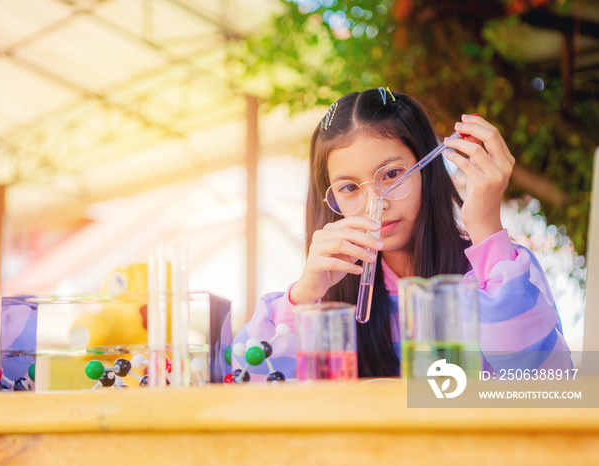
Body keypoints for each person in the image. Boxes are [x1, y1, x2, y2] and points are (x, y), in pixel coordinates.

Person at [232, 88, 571, 380]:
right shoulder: (325, 301)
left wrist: (486, 227)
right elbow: (242, 377)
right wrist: (304, 296)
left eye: (392, 174)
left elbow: (550, 385)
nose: (375, 204)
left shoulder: (502, 272)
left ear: (428, 168)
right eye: (349, 187)